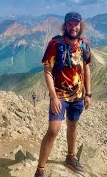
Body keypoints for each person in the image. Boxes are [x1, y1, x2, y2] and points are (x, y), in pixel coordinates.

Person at [35, 11, 92, 177]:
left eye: (76, 24)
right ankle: (40, 170)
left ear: (80, 26)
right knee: (53, 130)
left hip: (78, 95)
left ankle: (70, 157)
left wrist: (88, 94)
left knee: (73, 125)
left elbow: (87, 69)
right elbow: (47, 70)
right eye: (70, 24)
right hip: (59, 94)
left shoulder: (84, 45)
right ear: (65, 26)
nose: (73, 27)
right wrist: (53, 96)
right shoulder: (55, 44)